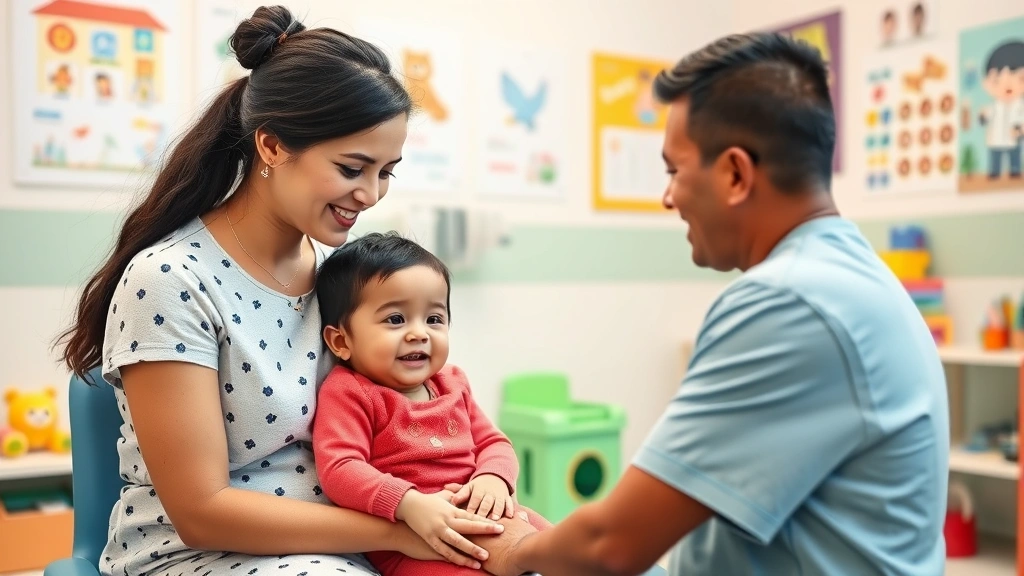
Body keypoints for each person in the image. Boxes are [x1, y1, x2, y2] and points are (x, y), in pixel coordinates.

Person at [478, 32, 950, 576]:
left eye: (674, 170)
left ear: (733, 174)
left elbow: (612, 546)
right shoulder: (850, 274)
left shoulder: (787, 301)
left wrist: (515, 550)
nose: (668, 196)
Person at [56, 6, 504, 576]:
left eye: (386, 172)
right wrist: (405, 526)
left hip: (356, 541)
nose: (370, 195)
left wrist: (464, 494)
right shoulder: (169, 281)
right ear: (271, 146)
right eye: (351, 168)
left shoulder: (341, 276)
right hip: (200, 555)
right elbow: (201, 512)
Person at [312, 232, 552, 576]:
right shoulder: (349, 392)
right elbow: (340, 468)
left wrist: (493, 479)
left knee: (562, 547)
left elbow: (494, 442)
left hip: (484, 512)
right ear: (341, 341)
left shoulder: (452, 383)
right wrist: (408, 504)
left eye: (434, 319)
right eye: (396, 319)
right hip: (416, 539)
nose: (419, 333)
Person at [978, 41, 1024, 180]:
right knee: (995, 157)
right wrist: (982, 116)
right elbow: (985, 115)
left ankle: (1015, 170)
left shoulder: (1020, 105)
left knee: (1014, 156)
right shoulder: (995, 106)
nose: (1007, 85)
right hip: (995, 138)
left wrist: (1020, 129)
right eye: (997, 80)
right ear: (987, 83)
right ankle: (994, 171)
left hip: (1012, 138)